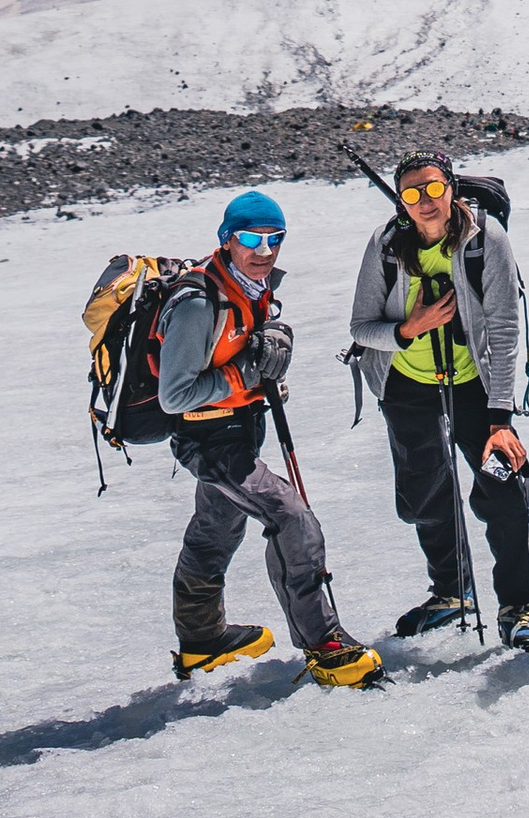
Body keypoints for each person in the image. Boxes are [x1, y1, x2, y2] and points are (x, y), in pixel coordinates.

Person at [159, 190, 383, 686]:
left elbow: (242, 350)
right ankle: (324, 646)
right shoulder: (199, 302)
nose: (263, 250)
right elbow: (175, 395)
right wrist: (245, 375)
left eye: (273, 239)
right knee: (291, 518)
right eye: (250, 238)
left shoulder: (248, 286)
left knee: (215, 530)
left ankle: (202, 641)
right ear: (227, 239)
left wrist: (268, 357)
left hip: (239, 431)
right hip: (209, 440)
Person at [347, 155, 529, 651]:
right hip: (407, 386)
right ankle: (452, 591)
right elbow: (361, 327)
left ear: (451, 188)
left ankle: (517, 605)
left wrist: (501, 418)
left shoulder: (485, 239)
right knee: (425, 495)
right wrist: (409, 328)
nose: (424, 202)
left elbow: (502, 327)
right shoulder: (387, 244)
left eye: (432, 189)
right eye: (410, 194)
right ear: (400, 201)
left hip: (473, 385)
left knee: (506, 489)